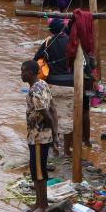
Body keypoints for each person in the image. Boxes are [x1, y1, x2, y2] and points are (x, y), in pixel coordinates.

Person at [21, 60, 57, 212]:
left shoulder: (34, 91)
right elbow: (54, 108)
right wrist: (54, 134)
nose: (21, 74)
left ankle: (43, 206)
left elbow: (47, 114)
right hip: (41, 136)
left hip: (38, 137)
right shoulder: (43, 83)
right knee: (36, 171)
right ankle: (38, 203)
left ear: (30, 72)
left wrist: (54, 135)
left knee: (39, 172)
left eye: (23, 71)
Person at [34, 18, 73, 156]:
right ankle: (67, 150)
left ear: (51, 31)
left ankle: (54, 146)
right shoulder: (71, 42)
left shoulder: (47, 42)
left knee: (52, 117)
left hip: (51, 85)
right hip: (70, 85)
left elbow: (35, 60)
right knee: (69, 118)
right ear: (63, 29)